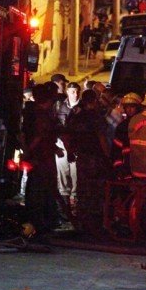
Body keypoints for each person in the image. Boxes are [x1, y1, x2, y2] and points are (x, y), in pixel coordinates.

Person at [65, 90, 110, 229]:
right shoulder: (96, 117)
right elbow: (102, 138)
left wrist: (70, 152)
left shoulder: (76, 116)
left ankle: (83, 217)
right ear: (94, 101)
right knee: (96, 188)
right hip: (96, 157)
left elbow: (68, 135)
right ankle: (94, 220)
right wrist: (108, 156)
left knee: (82, 187)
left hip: (82, 157)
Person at [22, 84, 61, 233]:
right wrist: (29, 151)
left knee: (37, 187)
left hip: (40, 156)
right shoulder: (41, 116)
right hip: (42, 158)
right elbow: (40, 136)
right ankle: (41, 221)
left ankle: (40, 219)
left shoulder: (31, 112)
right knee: (41, 188)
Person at [53, 82, 81, 210]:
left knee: (75, 173)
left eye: (77, 91)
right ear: (68, 92)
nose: (75, 94)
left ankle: (74, 198)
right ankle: (64, 200)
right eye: (73, 91)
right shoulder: (60, 107)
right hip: (62, 143)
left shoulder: (82, 108)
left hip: (76, 144)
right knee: (63, 172)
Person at [111, 92, 142, 178]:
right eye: (127, 107)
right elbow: (116, 149)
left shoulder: (144, 124)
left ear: (138, 107)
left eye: (132, 106)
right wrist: (119, 167)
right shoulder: (122, 126)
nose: (129, 110)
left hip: (143, 165)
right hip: (127, 166)